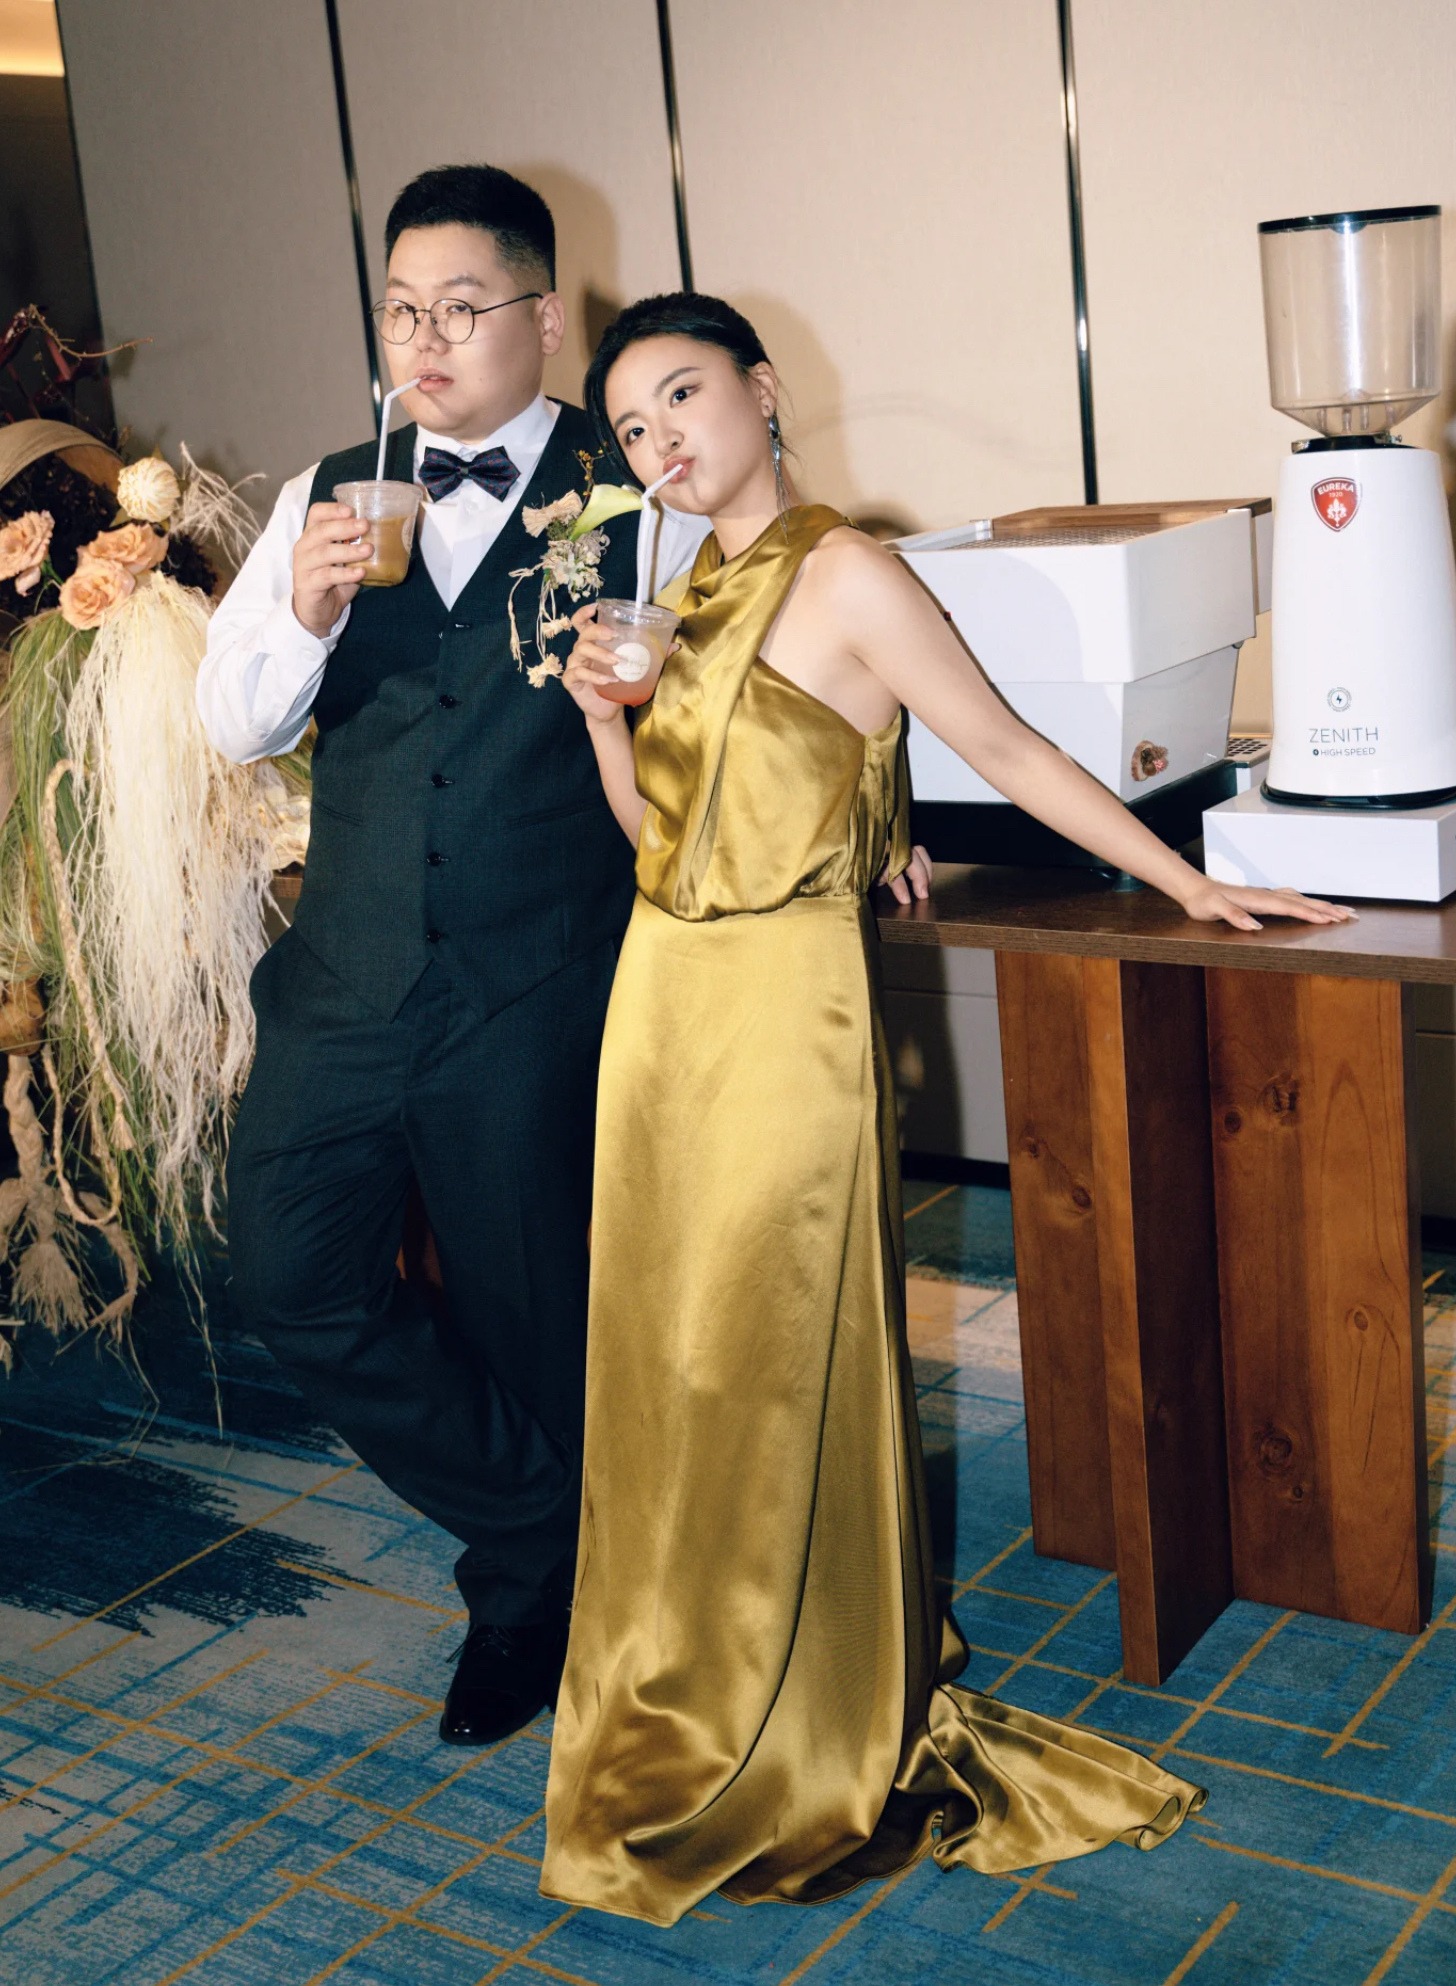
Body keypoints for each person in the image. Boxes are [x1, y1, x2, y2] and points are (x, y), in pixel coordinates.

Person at [540, 292, 1354, 1926]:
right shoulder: (680, 594)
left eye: (683, 395)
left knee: (766, 1356)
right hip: (661, 1005)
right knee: (668, 1360)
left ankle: (799, 1706)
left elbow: (1007, 744)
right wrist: (599, 724)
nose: (661, 441)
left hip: (783, 1015)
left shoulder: (847, 571)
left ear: (766, 389)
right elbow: (659, 837)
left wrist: (1191, 882)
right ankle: (688, 1674)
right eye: (631, 426)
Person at [195, 167, 715, 1748]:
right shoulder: (327, 493)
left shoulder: (637, 496)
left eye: (462, 309)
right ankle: (554, 1520)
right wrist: (300, 613)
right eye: (401, 311)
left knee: (535, 1307)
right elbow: (232, 722)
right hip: (347, 984)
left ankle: (532, 1597)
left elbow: (747, 698)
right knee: (290, 1273)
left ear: (543, 320)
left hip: (536, 983)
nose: (423, 341)